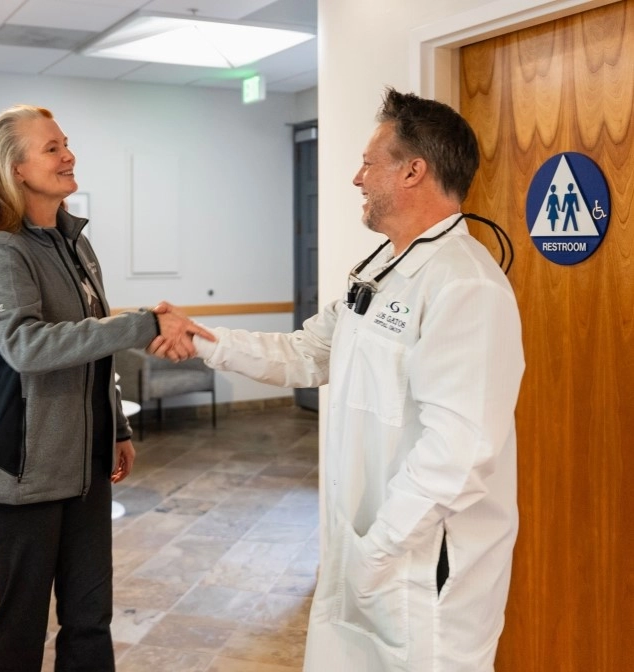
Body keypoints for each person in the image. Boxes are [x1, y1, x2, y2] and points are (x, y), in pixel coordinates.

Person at [152, 88, 525, 671]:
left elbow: (462, 452)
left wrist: (377, 552)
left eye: (368, 163)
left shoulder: (465, 286)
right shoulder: (380, 267)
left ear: (412, 170)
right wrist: (203, 340)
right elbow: (307, 353)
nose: (356, 178)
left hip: (421, 568)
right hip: (365, 549)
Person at [0, 104, 212, 672]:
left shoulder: (75, 243)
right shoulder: (0, 250)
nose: (68, 155)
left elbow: (92, 348)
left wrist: (116, 428)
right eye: (51, 148)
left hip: (85, 464)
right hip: (21, 471)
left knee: (90, 619)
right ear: (14, 168)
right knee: (20, 628)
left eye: (66, 143)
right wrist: (145, 323)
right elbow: (27, 346)